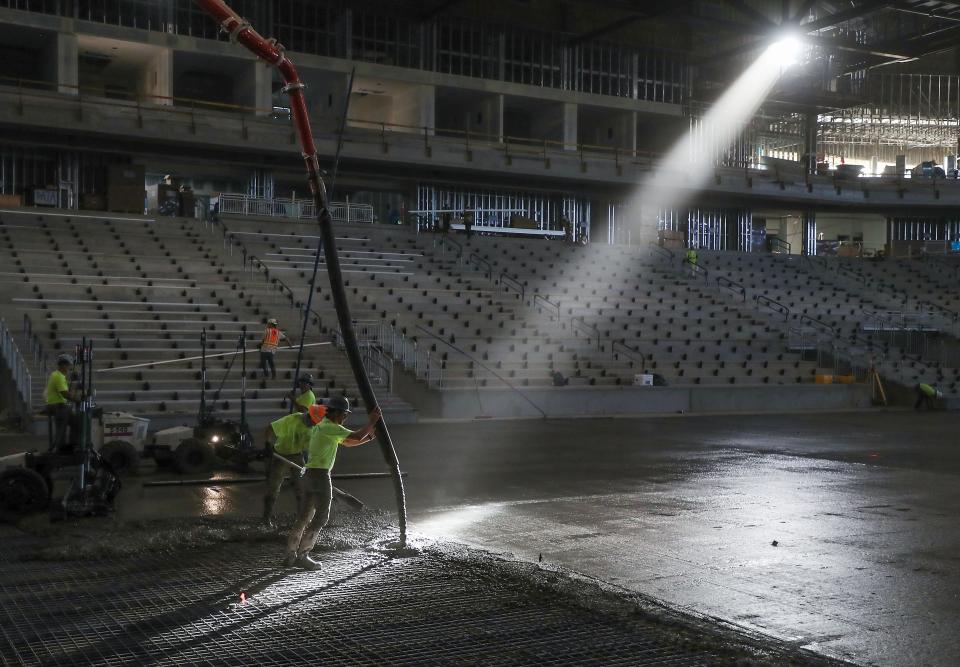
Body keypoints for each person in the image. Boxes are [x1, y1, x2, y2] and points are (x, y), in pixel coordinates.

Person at [284, 397, 381, 570]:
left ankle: (290, 555)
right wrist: (372, 421)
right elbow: (356, 435)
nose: (345, 418)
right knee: (321, 517)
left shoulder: (322, 426)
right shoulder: (331, 427)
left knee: (304, 517)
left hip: (308, 475)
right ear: (335, 412)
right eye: (344, 415)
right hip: (320, 476)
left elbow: (348, 442)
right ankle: (303, 555)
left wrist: (370, 437)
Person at [261, 403, 326, 527]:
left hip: (297, 456)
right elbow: (270, 428)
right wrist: (267, 445)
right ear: (310, 416)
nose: (315, 424)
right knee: (273, 489)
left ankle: (302, 519)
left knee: (302, 489)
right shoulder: (293, 420)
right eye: (314, 421)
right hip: (280, 455)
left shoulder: (314, 428)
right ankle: (266, 518)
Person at [45, 355, 74, 451]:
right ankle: (58, 447)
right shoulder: (59, 377)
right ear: (62, 365)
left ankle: (68, 444)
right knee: (66, 415)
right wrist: (78, 399)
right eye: (68, 366)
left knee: (75, 419)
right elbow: (65, 394)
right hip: (57, 406)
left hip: (55, 404)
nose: (69, 369)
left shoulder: (57, 375)